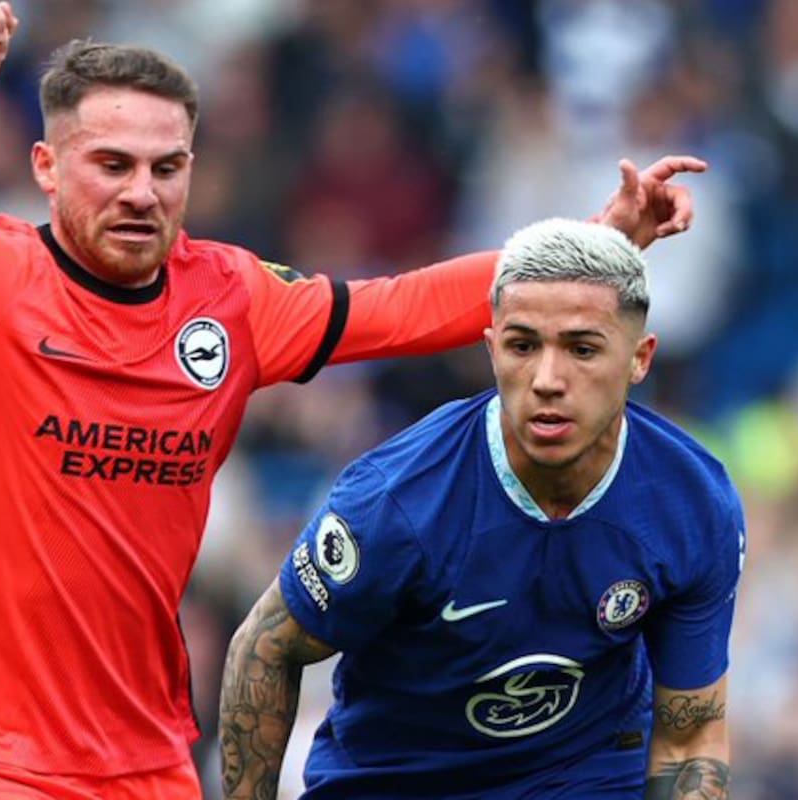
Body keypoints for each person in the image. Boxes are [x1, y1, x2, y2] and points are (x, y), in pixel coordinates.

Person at [0, 1, 707, 796]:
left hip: (148, 758)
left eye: (167, 168)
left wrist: (594, 242)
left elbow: (398, 308)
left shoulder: (230, 299)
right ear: (47, 166)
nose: (141, 192)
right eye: (111, 164)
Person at [219, 219, 744, 799]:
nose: (547, 379)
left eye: (583, 349)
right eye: (523, 346)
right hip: (399, 783)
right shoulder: (397, 499)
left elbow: (691, 739)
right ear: (492, 350)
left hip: (581, 778)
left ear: (639, 359)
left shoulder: (692, 501)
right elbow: (265, 647)